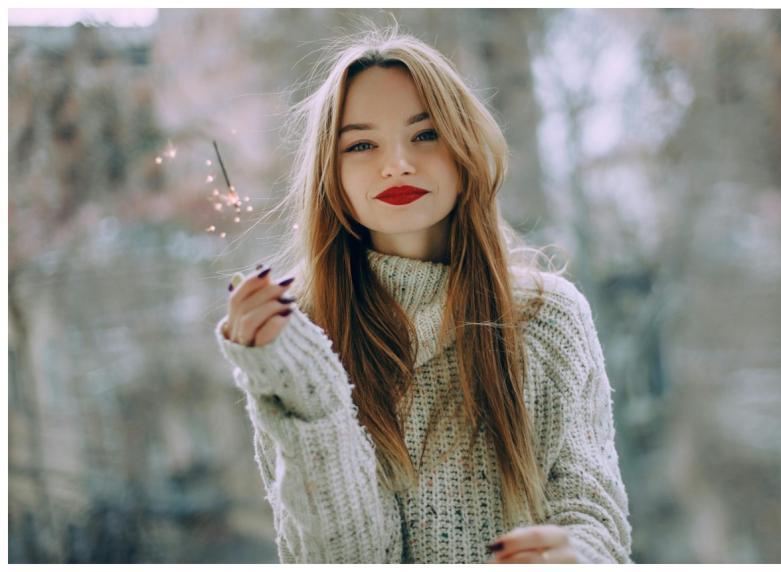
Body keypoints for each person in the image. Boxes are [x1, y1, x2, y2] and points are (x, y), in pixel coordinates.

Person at [215, 24, 632, 564]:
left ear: (464, 149)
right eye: (361, 144)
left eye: (425, 133)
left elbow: (595, 517)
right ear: (330, 174)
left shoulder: (548, 317)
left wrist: (574, 556)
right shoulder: (299, 337)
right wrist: (305, 387)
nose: (397, 164)